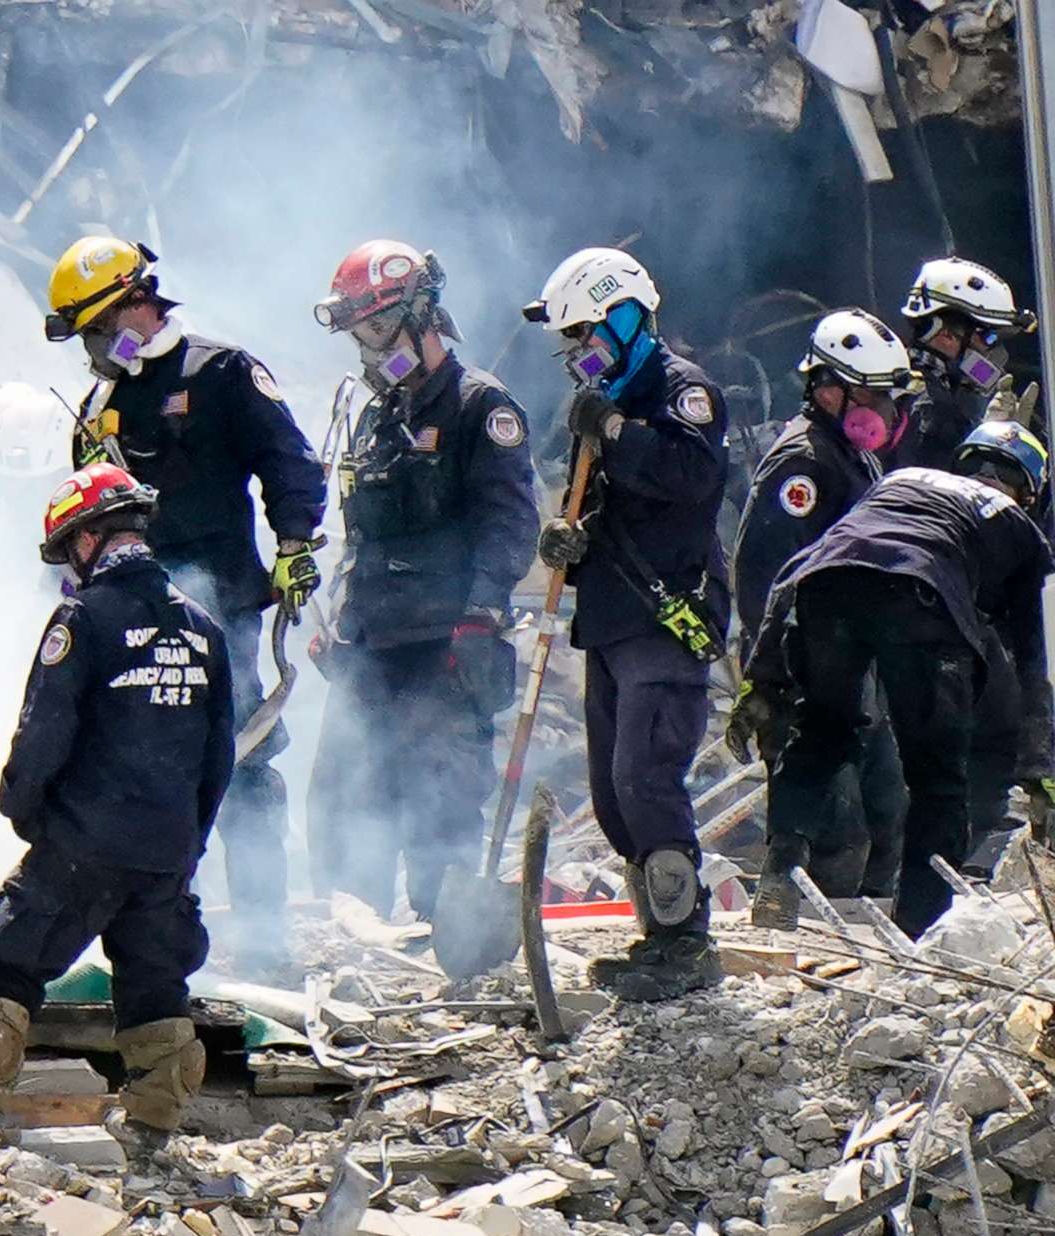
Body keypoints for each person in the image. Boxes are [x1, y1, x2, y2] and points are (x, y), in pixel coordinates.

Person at [43, 236, 325, 973]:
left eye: (100, 328)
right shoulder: (98, 405)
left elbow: (288, 460)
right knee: (141, 774)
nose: (97, 348)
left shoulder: (220, 370)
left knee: (244, 763)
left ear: (137, 302)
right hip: (128, 621)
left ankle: (266, 939)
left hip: (221, 609)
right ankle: (163, 942)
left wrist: (293, 544)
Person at [0, 464, 234, 1151]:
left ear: (90, 538)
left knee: (6, 963)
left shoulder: (82, 619)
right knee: (156, 988)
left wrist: (25, 808)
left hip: (84, 842)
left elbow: (44, 729)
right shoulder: (204, 630)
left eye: (70, 547)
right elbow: (218, 759)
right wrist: (187, 842)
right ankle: (153, 1131)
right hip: (165, 850)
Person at [736, 423, 1052, 937]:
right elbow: (1030, 660)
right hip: (924, 602)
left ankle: (781, 871)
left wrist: (762, 679)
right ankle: (921, 930)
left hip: (827, 589)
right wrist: (1040, 766)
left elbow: (797, 568)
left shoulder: (901, 481)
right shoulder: (1017, 524)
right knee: (937, 780)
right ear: (1028, 491)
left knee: (820, 732)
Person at [307, 241, 537, 924]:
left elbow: (510, 522)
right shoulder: (381, 418)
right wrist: (338, 618)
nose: (370, 349)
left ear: (420, 313)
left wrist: (478, 613)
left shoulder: (479, 406)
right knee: (346, 799)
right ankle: (358, 941)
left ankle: (451, 947)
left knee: (440, 799)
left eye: (377, 328)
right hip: (372, 639)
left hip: (443, 640)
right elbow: (363, 536)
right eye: (360, 334)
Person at [527, 246, 732, 1002]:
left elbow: (689, 478)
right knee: (612, 791)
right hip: (610, 617)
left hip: (666, 616)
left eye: (585, 335)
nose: (579, 355)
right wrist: (566, 540)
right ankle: (655, 930)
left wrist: (613, 428)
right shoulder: (595, 404)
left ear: (622, 315)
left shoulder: (681, 392)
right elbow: (584, 501)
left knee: (646, 773)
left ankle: (686, 942)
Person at [729, 312, 917, 927]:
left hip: (862, 661)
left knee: (888, 811)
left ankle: (870, 957)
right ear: (827, 388)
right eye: (869, 395)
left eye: (887, 397)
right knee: (831, 824)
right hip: (807, 663)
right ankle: (799, 941)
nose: (882, 411)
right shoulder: (802, 465)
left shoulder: (854, 461)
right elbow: (766, 572)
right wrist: (773, 672)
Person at [893, 258, 1037, 472]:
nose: (994, 351)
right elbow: (946, 488)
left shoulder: (953, 393)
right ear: (945, 334)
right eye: (989, 337)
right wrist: (994, 450)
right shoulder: (925, 407)